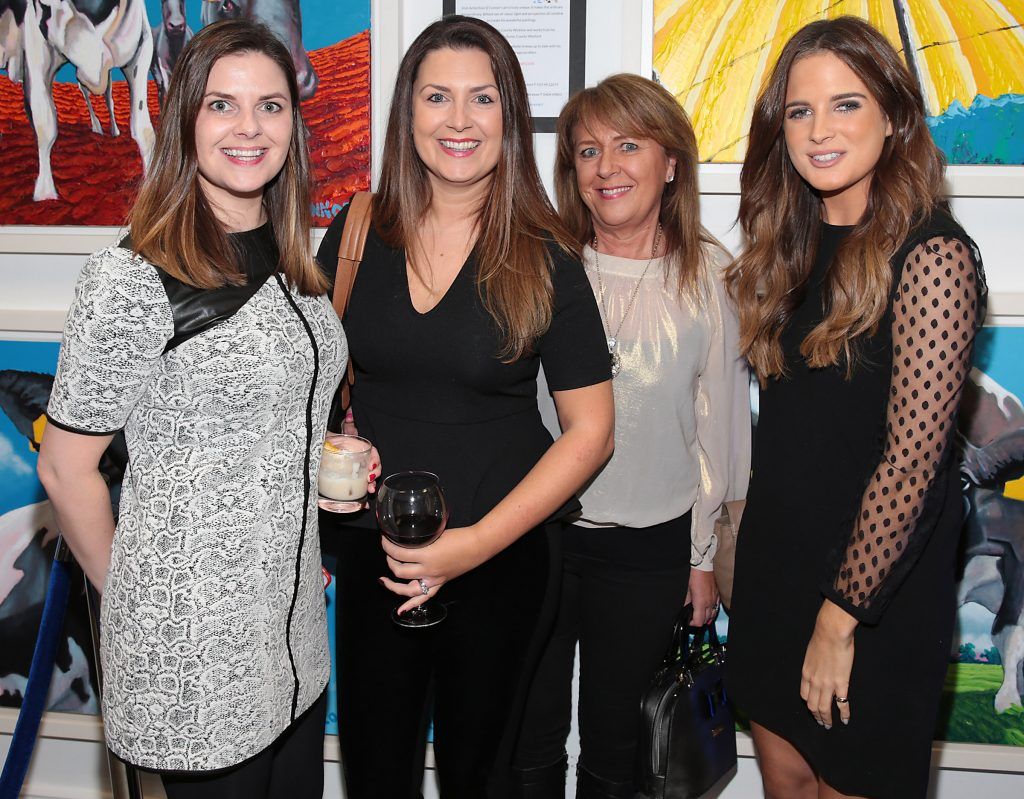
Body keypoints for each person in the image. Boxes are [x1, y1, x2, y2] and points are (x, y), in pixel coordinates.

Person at [37, 20, 351, 799]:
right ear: (186, 122)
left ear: (293, 124)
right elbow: (66, 465)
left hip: (294, 650)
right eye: (223, 105)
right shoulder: (132, 280)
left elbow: (277, 411)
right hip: (194, 659)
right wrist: (142, 598)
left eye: (271, 107)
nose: (249, 128)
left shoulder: (293, 260)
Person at [314, 15, 615, 799]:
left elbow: (591, 432)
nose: (458, 119)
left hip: (504, 558)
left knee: (479, 779)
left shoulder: (547, 255)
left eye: (481, 98)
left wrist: (473, 544)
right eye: (437, 96)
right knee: (377, 775)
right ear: (406, 113)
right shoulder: (354, 233)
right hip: (373, 553)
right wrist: (327, 461)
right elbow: (306, 393)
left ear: (509, 116)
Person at [725, 16, 986, 799]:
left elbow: (913, 463)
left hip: (874, 599)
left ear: (893, 117)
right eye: (800, 111)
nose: (819, 130)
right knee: (787, 784)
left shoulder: (933, 255)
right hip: (777, 576)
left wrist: (840, 621)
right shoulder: (788, 249)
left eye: (847, 105)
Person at [511, 73, 751, 798]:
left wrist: (701, 556)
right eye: (587, 150)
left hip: (650, 548)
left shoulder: (711, 275)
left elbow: (721, 429)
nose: (606, 167)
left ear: (670, 162)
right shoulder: (538, 265)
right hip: (538, 537)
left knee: (619, 748)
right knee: (526, 733)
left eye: (627, 145)